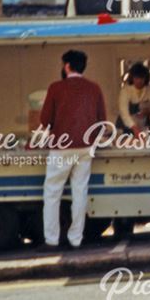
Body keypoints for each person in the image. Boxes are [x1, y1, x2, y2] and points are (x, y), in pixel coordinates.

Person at [38, 50, 107, 250]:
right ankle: (75, 239)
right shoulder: (94, 89)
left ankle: (51, 240)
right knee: (80, 192)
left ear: (67, 66)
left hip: (61, 147)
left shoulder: (56, 88)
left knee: (52, 193)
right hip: (86, 148)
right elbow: (102, 121)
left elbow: (44, 120)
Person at [117, 63, 150, 136]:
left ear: (146, 78)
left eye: (142, 78)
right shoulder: (125, 91)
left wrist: (148, 111)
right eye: (136, 78)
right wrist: (133, 127)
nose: (139, 81)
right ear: (132, 78)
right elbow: (124, 112)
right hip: (126, 126)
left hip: (144, 125)